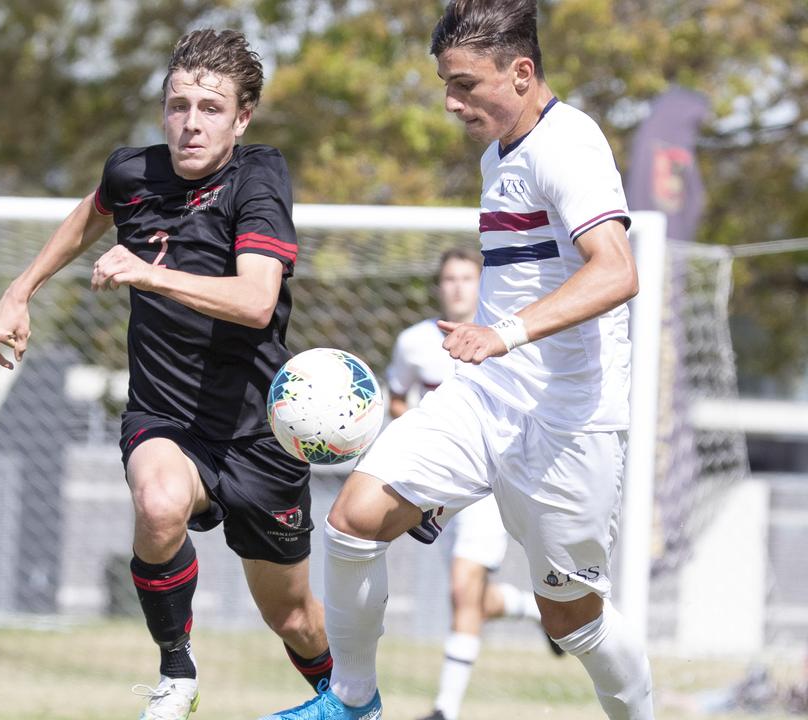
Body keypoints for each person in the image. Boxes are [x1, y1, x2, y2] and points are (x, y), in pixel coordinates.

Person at [260, 1, 653, 718]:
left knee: (574, 618)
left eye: (465, 84)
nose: (451, 101)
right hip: (488, 396)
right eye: (447, 83)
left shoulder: (571, 144)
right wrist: (492, 350)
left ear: (522, 71)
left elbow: (617, 271)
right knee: (354, 515)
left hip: (571, 419)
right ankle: (351, 700)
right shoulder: (495, 157)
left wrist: (501, 334)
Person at [0, 28, 331, 720]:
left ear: (242, 117)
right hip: (166, 417)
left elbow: (257, 302)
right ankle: (177, 674)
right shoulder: (134, 173)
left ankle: (345, 697)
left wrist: (148, 273)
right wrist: (19, 292)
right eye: (178, 105)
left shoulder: (259, 178)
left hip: (258, 433)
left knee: (293, 618)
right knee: (159, 503)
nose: (190, 123)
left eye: (209, 107)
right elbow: (92, 211)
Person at [389, 249, 559, 720]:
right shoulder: (413, 342)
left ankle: (445, 710)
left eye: (468, 277)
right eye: (450, 278)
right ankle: (540, 611)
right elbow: (397, 397)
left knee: (462, 591)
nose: (459, 286)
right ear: (439, 286)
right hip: (438, 489)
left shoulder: (506, 335)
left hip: (487, 484)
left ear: (482, 282)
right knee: (474, 598)